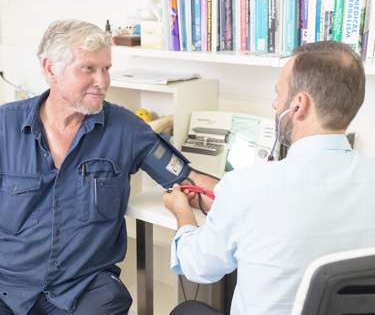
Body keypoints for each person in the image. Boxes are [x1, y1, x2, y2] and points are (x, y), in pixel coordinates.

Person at [0, 19, 217, 315]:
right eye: (88, 68)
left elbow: (188, 179)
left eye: (106, 69)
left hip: (86, 288)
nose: (102, 82)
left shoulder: (126, 129)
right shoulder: (4, 127)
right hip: (9, 286)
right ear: (51, 69)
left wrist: (248, 197)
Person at [162, 41, 375, 315]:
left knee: (187, 309)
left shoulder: (245, 188)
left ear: (298, 105)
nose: (275, 103)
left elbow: (198, 267)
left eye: (278, 94)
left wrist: (182, 213)